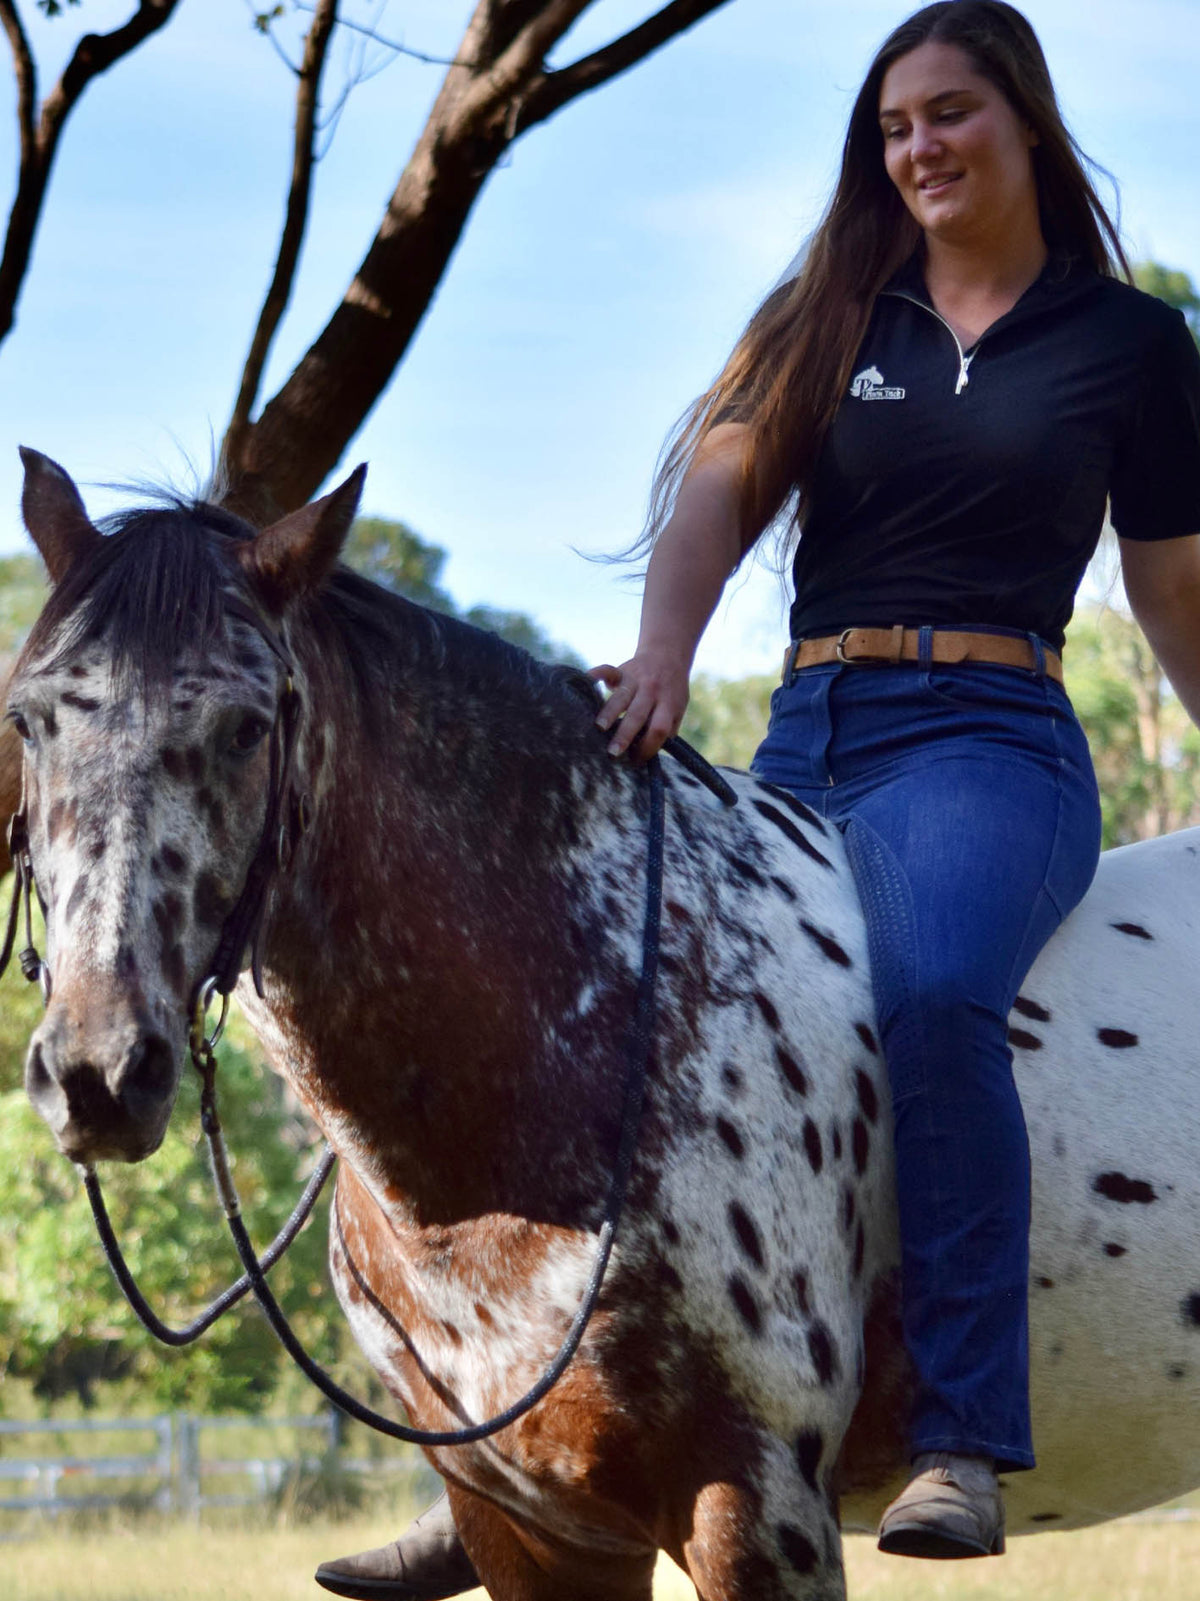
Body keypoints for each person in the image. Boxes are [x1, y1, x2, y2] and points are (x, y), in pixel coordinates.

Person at [315, 2, 1200, 1592]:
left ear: (1026, 124)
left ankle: (958, 1427)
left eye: (948, 115)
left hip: (992, 736)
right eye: (893, 129)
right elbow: (722, 481)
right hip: (812, 728)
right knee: (624, 998)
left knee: (932, 998)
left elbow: (1174, 588)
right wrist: (665, 652)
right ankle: (498, 1454)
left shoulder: (1127, 347)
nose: (919, 148)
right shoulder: (835, 313)